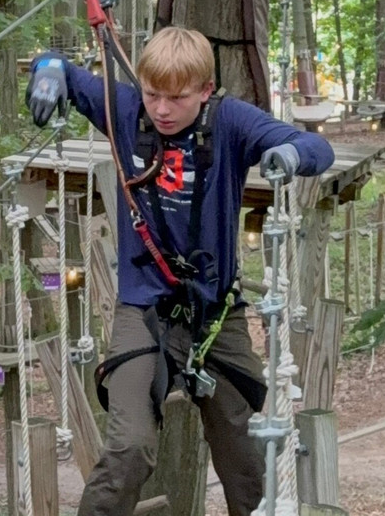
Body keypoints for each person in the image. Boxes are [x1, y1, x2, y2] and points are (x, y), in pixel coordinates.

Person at [25, 27, 335, 516]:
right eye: (153, 95)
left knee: (243, 451)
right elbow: (58, 65)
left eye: (177, 98)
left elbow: (316, 148)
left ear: (205, 91)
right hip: (143, 309)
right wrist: (46, 76)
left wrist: (289, 156)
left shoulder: (229, 122)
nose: (162, 110)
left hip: (214, 313)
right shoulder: (126, 111)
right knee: (129, 447)